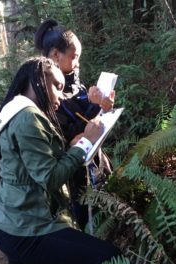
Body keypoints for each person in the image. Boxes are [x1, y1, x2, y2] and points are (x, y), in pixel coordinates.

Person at [0, 57, 121, 264]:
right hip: (25, 227)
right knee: (110, 258)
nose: (60, 95)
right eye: (57, 87)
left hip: (10, 221)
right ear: (39, 81)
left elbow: (35, 166)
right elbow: (50, 178)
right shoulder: (28, 118)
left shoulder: (16, 110)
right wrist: (85, 143)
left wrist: (71, 147)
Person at [34, 19, 115, 230]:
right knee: (86, 222)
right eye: (74, 57)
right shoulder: (47, 92)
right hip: (73, 176)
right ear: (54, 55)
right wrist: (93, 107)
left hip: (95, 163)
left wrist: (102, 104)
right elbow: (68, 135)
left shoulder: (73, 79)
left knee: (107, 215)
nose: (77, 63)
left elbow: (86, 120)